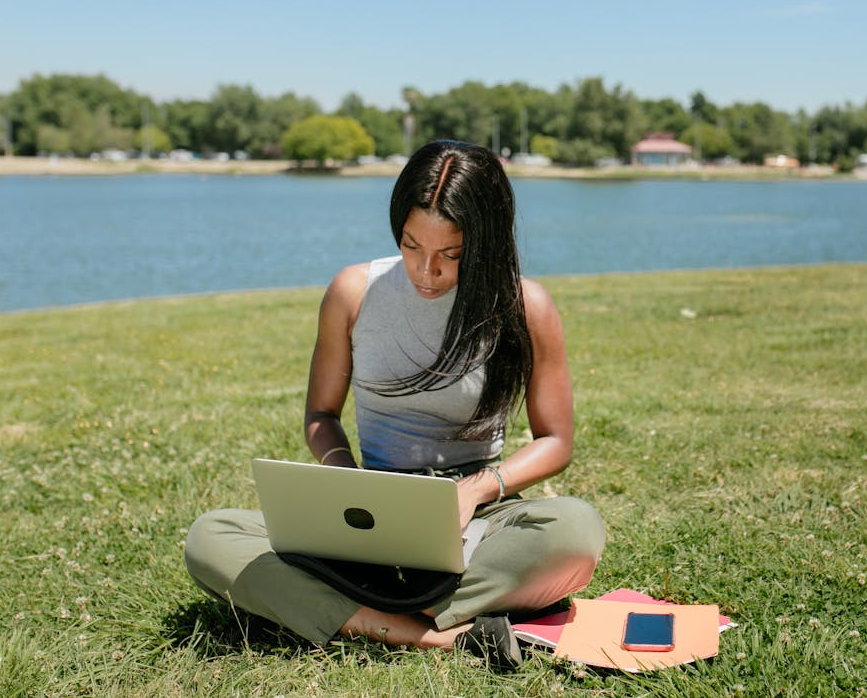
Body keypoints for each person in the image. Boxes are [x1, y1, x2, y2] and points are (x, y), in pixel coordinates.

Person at [184, 140, 605, 670]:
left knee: (574, 531)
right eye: (411, 246)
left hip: (477, 519)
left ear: (487, 243)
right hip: (367, 516)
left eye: (451, 255)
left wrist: (473, 492)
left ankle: (350, 608)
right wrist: (344, 480)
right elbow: (321, 417)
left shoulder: (526, 307)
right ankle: (434, 633)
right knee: (210, 537)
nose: (426, 271)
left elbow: (556, 440)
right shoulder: (354, 292)